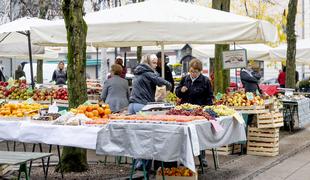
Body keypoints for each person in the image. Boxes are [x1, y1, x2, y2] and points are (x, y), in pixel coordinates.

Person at [129, 54, 171, 174]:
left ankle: (137, 163)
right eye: (153, 62)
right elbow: (165, 83)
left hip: (132, 106)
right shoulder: (148, 73)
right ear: (147, 63)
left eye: (156, 62)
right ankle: (143, 166)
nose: (156, 65)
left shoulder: (138, 72)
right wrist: (168, 88)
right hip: (142, 106)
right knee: (147, 137)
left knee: (137, 137)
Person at [175, 58, 213, 167]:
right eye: (191, 71)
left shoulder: (205, 81)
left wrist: (206, 109)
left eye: (196, 72)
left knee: (199, 134)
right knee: (185, 134)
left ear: (200, 71)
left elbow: (209, 96)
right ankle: (185, 158)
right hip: (185, 112)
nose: (193, 74)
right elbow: (177, 92)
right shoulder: (185, 79)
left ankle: (202, 157)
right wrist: (180, 91)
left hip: (199, 112)